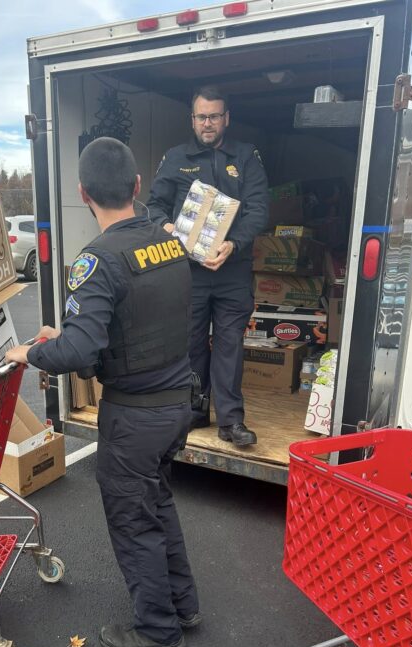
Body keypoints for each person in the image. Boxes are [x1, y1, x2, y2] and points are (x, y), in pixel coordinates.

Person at [5, 137, 200, 647]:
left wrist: (29, 353)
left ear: (82, 192)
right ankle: (183, 603)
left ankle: (159, 629)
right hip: (176, 403)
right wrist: (62, 339)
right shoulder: (169, 242)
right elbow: (130, 329)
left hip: (135, 418)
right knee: (158, 504)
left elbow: (82, 350)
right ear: (137, 187)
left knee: (135, 521)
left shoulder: (98, 261)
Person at [146, 86, 269, 447]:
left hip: (232, 270)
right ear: (193, 119)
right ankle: (195, 412)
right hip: (190, 273)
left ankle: (231, 422)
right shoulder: (175, 157)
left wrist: (233, 244)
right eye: (202, 116)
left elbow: (259, 209)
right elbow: (154, 207)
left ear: (226, 118)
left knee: (229, 345)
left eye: (215, 116)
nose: (208, 123)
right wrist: (169, 229)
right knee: (192, 345)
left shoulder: (246, 157)